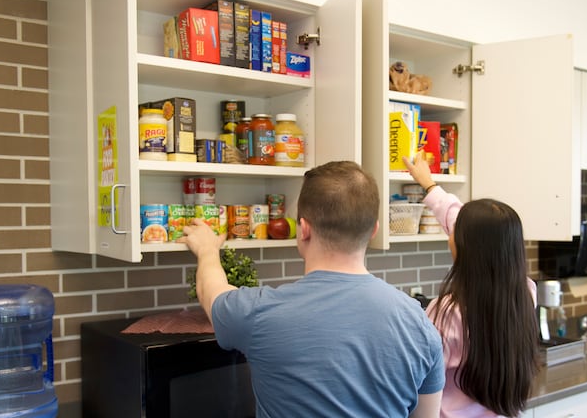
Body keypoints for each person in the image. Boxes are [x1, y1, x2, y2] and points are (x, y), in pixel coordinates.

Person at [180, 160, 445, 418]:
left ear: (303, 229)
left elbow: (211, 292)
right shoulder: (419, 322)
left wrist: (206, 249)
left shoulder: (260, 312)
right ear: (374, 230)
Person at [403, 153, 540, 418]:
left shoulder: (446, 312)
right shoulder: (525, 291)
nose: (450, 233)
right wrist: (429, 185)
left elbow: (420, 381)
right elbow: (471, 225)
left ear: (466, 246)